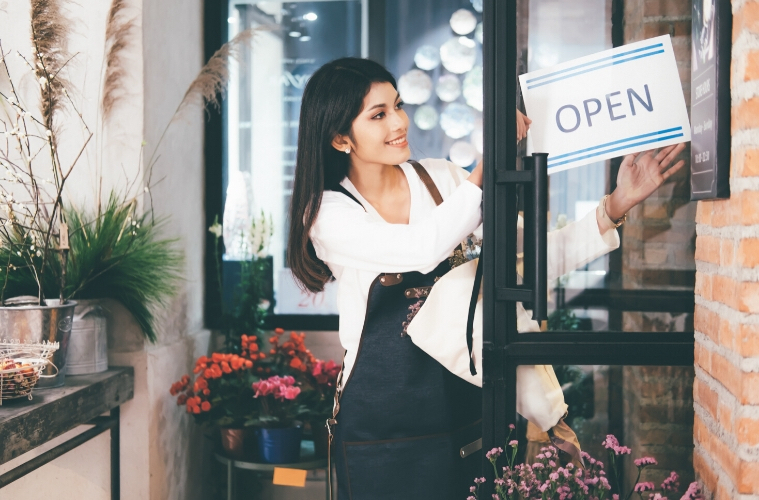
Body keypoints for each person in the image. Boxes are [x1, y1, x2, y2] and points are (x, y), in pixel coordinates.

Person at [287, 57, 685, 500]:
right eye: (378, 115)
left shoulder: (440, 179)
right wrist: (485, 164)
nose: (399, 122)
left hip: (469, 407)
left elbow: (523, 262)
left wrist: (614, 206)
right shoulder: (327, 213)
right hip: (382, 425)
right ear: (341, 137)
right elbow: (419, 248)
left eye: (397, 106)